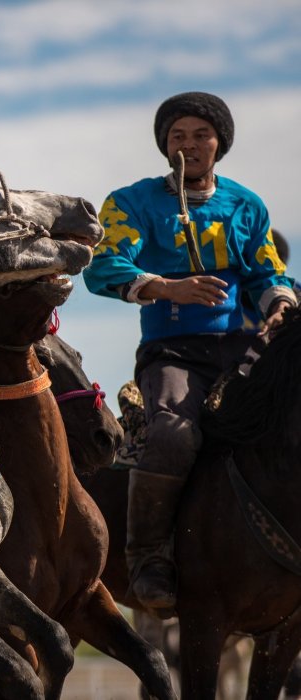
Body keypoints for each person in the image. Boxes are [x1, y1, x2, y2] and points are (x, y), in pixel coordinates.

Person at [83, 91, 296, 614]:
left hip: (245, 353)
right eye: (177, 136)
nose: (189, 145)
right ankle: (149, 558)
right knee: (174, 436)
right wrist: (168, 288)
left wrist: (280, 304)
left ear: (219, 143)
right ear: (165, 146)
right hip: (173, 353)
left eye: (201, 134)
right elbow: (102, 266)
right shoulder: (132, 202)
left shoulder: (246, 205)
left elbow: (266, 271)